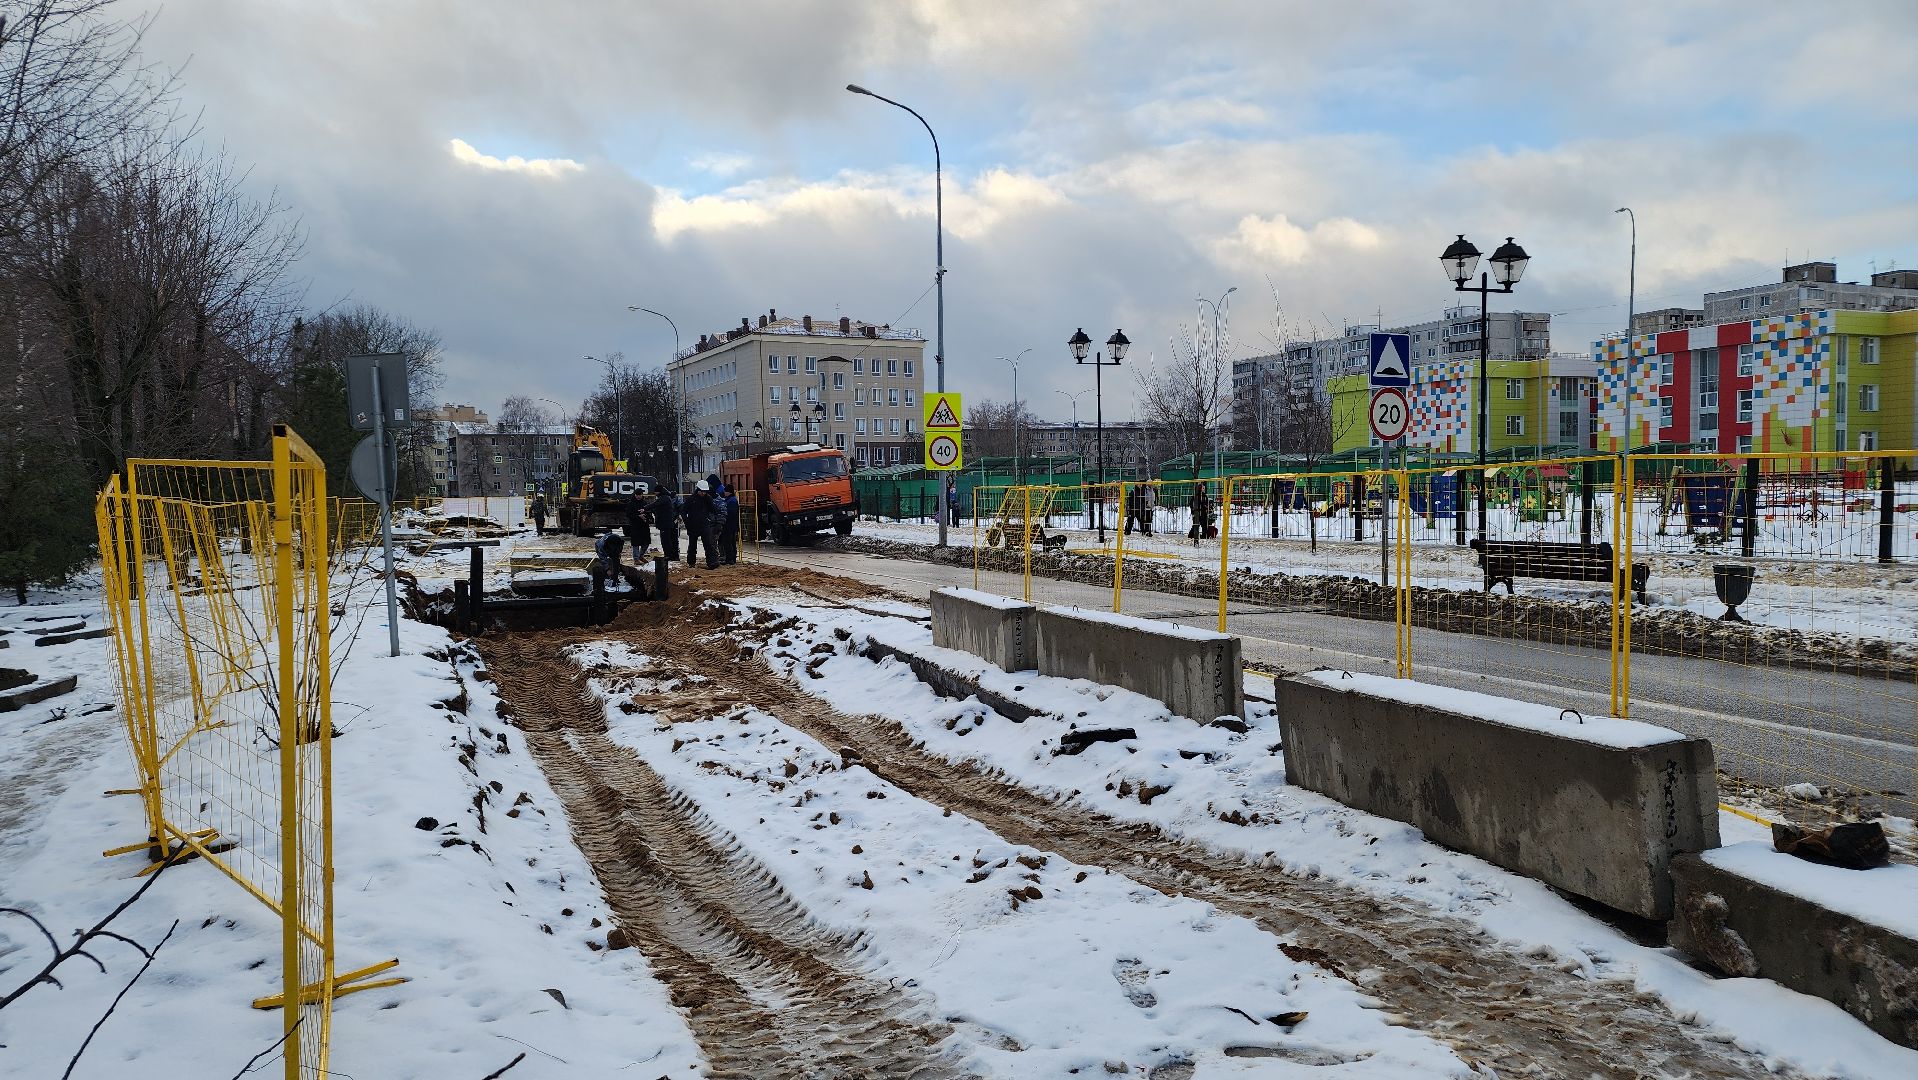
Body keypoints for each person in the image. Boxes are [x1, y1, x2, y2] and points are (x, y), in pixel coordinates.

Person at [590, 528, 646, 595]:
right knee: (604, 565)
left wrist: (617, 559)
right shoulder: (601, 545)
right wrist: (607, 569)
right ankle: (606, 577)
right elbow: (603, 559)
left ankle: (615, 579)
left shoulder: (619, 541)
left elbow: (618, 553)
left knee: (616, 562)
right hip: (603, 548)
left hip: (613, 547)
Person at [683, 480, 719, 569]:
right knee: (692, 545)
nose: (703, 493)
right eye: (702, 491)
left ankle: (712, 562)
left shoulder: (708, 499)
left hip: (704, 525)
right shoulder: (691, 499)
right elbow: (683, 511)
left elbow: (714, 510)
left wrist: (712, 519)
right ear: (698, 490)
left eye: (705, 492)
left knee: (708, 544)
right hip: (693, 525)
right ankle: (691, 562)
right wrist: (687, 523)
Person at [651, 487, 680, 561]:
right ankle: (675, 555)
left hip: (666, 522)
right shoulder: (673, 498)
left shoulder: (664, 499)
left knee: (666, 540)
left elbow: (655, 507)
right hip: (673, 521)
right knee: (673, 539)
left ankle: (669, 555)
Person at [623, 489, 651, 555]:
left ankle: (641, 555)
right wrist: (638, 516)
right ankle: (636, 557)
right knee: (636, 543)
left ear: (642, 495)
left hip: (644, 525)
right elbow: (628, 514)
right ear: (635, 495)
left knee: (646, 542)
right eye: (637, 495)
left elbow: (649, 512)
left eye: (639, 495)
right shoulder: (631, 503)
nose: (638, 496)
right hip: (635, 525)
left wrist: (646, 517)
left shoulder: (645, 503)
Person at [719, 484, 740, 565]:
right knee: (731, 542)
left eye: (725, 491)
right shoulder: (732, 499)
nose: (724, 493)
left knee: (728, 542)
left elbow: (730, 514)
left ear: (728, 492)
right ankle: (732, 558)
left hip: (729, 525)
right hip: (732, 525)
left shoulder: (731, 501)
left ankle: (729, 559)